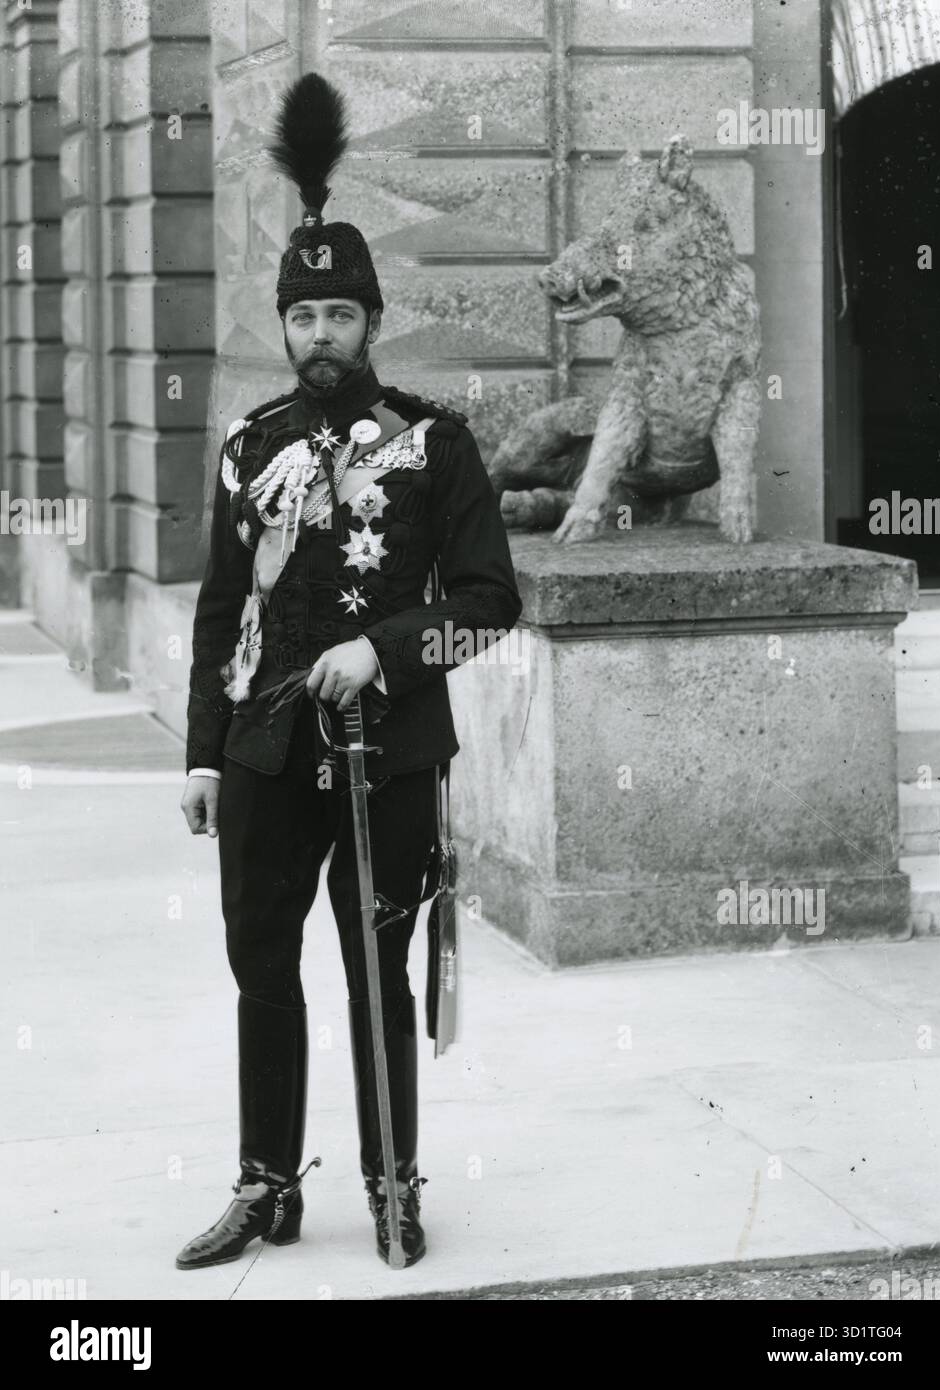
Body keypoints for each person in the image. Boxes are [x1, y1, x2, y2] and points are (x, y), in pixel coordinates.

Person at [174, 72, 522, 1272]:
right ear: (284, 327)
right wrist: (202, 755)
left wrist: (381, 644)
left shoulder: (435, 446)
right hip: (266, 752)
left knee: (376, 971)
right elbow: (222, 612)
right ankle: (267, 1184)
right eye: (303, 316)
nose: (320, 334)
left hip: (388, 754)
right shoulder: (251, 450)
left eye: (340, 315)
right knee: (260, 969)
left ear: (373, 322)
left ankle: (392, 1185)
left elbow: (490, 604)